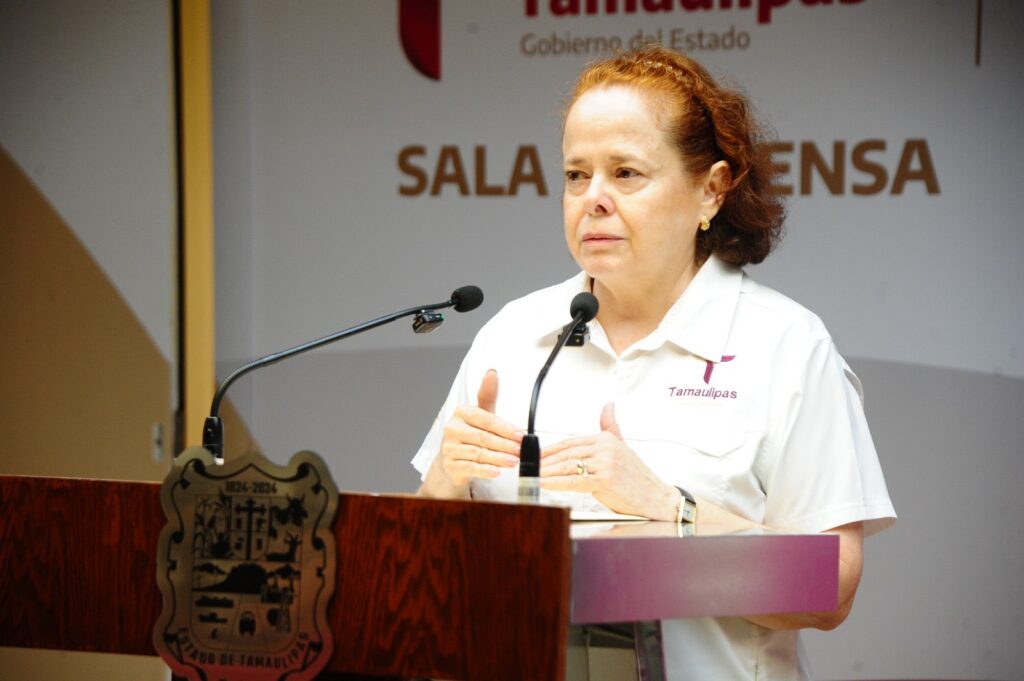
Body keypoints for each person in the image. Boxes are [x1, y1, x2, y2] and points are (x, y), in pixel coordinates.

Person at [412, 45, 895, 680]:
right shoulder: (512, 335)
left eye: (626, 173)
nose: (594, 198)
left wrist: (672, 511)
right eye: (576, 175)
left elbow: (831, 589)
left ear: (711, 190)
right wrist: (443, 486)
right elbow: (423, 569)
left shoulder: (787, 344)